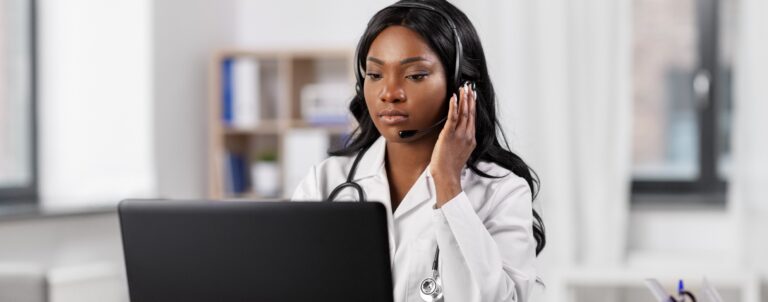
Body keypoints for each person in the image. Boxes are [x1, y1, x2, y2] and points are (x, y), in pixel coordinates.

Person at [291, 0, 545, 301]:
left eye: (415, 75)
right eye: (375, 75)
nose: (389, 93)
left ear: (462, 86)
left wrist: (448, 185)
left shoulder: (501, 191)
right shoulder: (326, 181)